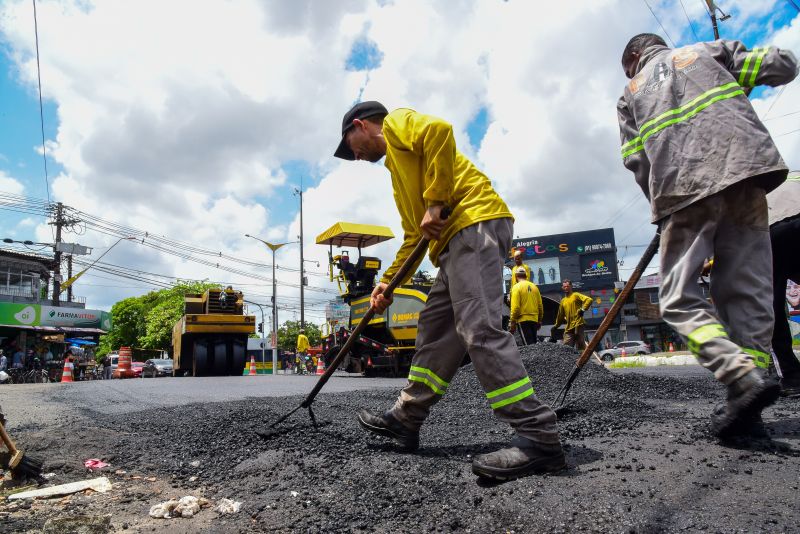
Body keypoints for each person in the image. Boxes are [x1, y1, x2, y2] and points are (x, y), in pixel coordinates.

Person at [335, 101, 565, 481]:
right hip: (450, 246)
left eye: (350, 146)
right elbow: (415, 236)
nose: (354, 157)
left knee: (480, 329)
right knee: (436, 332)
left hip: (474, 222)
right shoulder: (398, 169)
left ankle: (538, 434)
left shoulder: (396, 124)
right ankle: (406, 419)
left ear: (361, 124)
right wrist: (387, 284)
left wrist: (437, 202)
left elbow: (440, 129)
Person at [617, 33, 797, 437]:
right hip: (746, 172)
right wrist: (731, 81)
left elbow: (637, 162)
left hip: (684, 187)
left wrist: (659, 208)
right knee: (747, 292)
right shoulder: (709, 53)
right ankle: (748, 404)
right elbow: (784, 64)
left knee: (678, 298)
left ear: (634, 57)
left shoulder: (630, 93)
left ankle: (740, 378)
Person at [767, 171, 800, 397]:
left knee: (770, 304)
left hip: (773, 230)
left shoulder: (748, 188)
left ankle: (792, 377)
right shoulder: (792, 175)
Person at [552, 280, 593, 349]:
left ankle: (582, 358)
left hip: (578, 324)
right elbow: (560, 315)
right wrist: (556, 326)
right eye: (564, 286)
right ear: (562, 287)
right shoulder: (563, 301)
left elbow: (589, 300)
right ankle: (570, 358)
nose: (566, 288)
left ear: (571, 287)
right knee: (566, 346)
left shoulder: (576, 295)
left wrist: (582, 309)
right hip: (569, 327)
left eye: (567, 286)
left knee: (580, 343)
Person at [509, 267, 543, 346]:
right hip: (534, 319)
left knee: (528, 346)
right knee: (533, 344)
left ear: (516, 276)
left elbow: (516, 308)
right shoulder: (535, 287)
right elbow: (540, 306)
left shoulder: (516, 287)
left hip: (523, 320)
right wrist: (540, 320)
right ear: (526, 275)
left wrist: (512, 321)